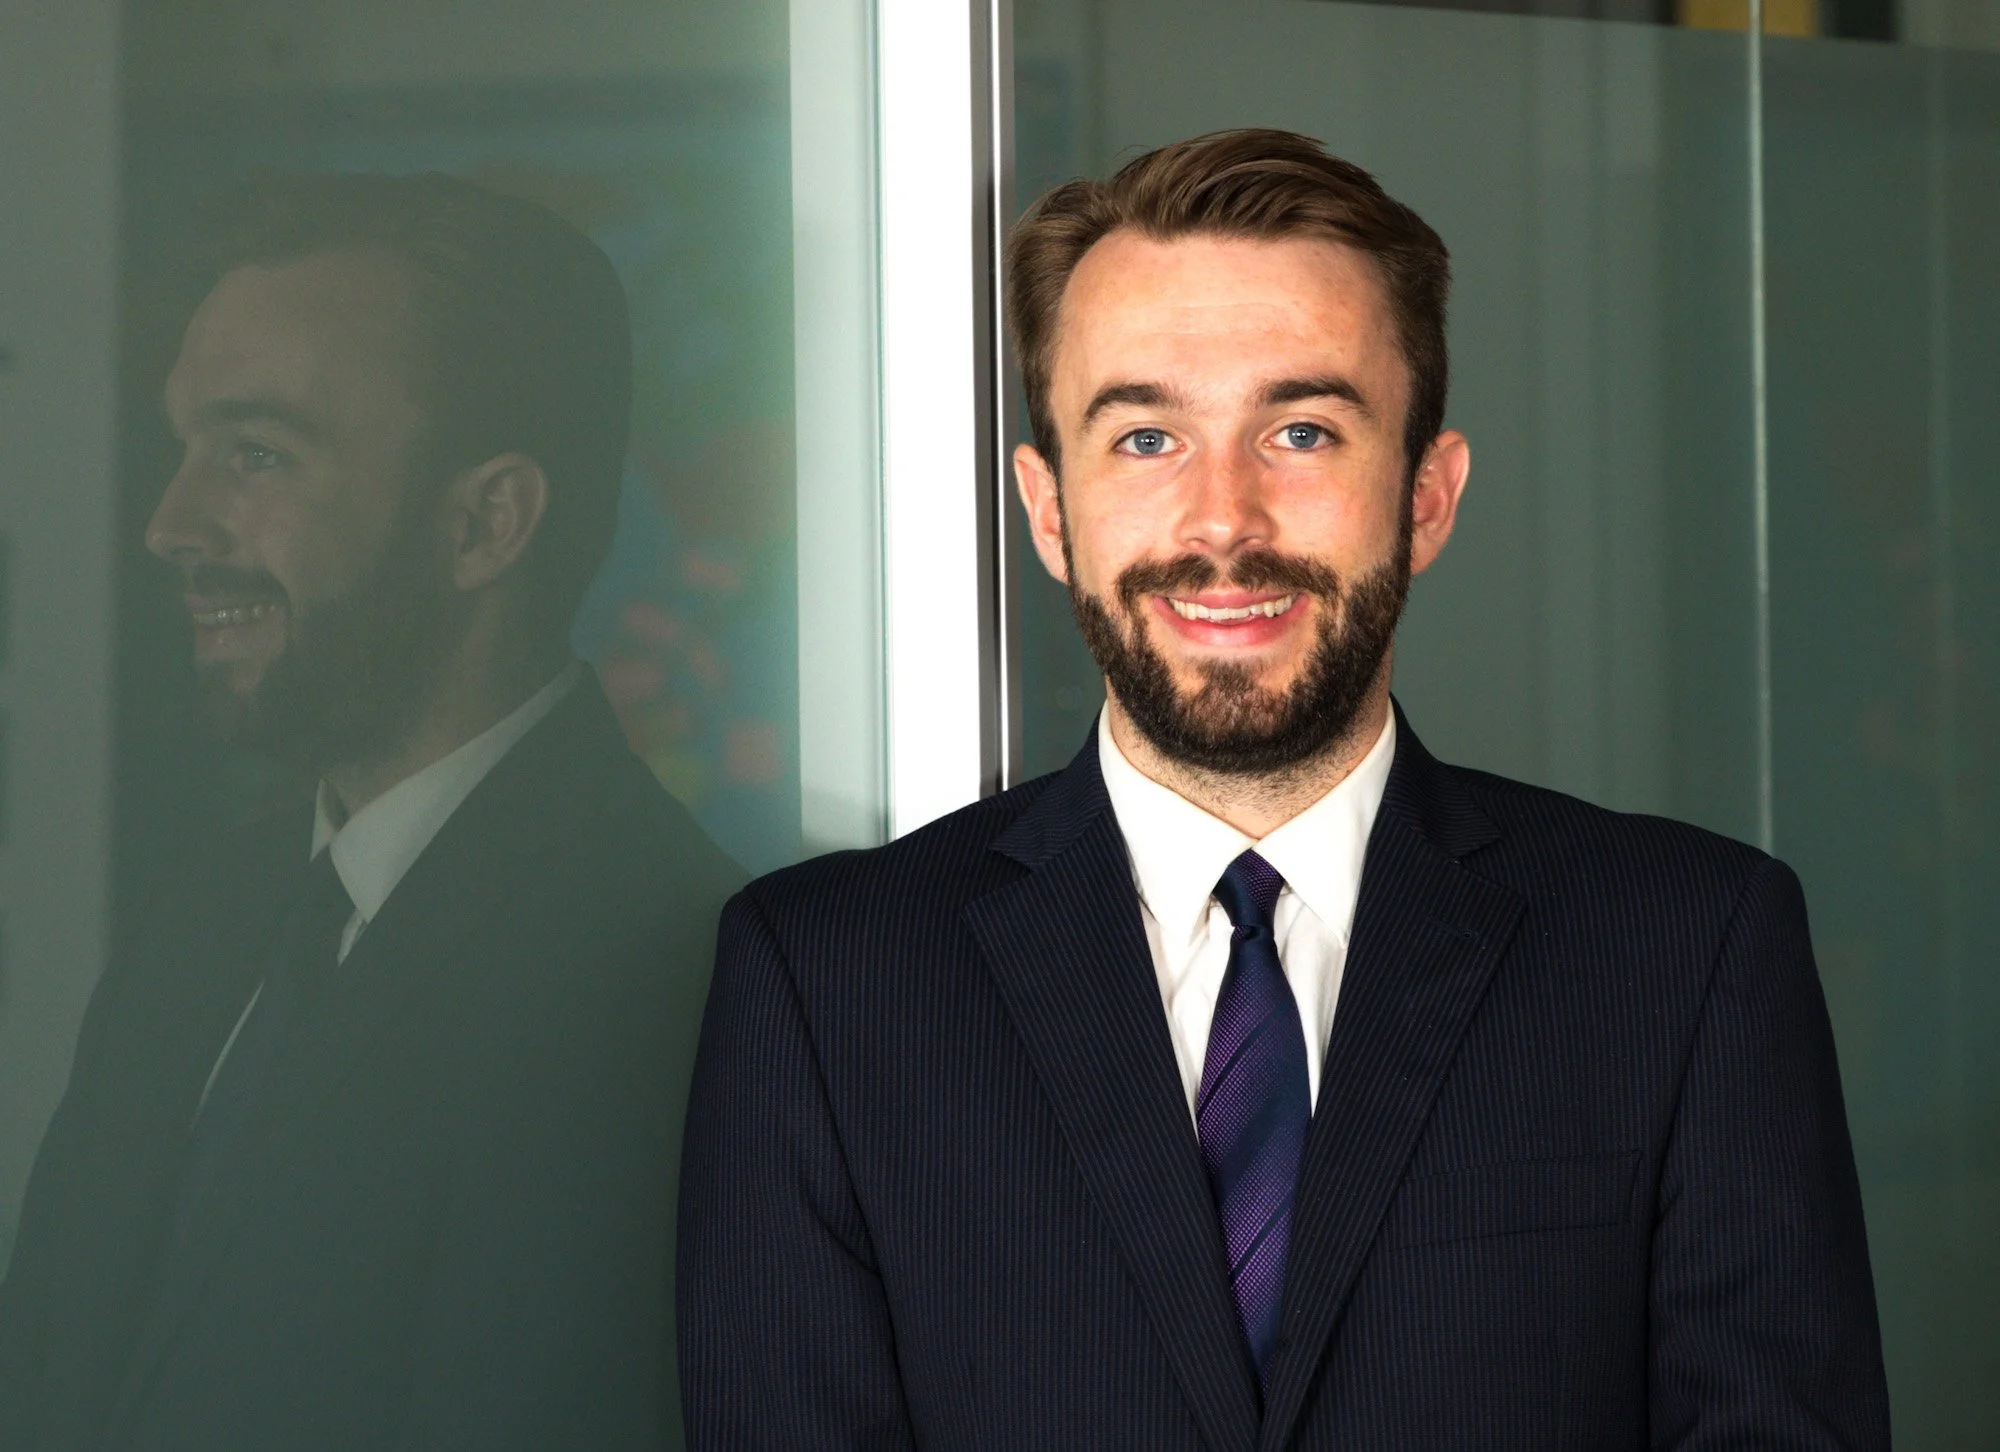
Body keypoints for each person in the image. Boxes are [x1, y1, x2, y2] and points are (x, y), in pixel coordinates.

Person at [677, 129, 1888, 1448]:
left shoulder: (1691, 949)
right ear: (1048, 511)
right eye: (1146, 437)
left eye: (1301, 430)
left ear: (1426, 498)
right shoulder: (826, 982)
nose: (1222, 521)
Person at [0, 172, 740, 1451]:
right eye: (186, 450)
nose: (173, 525)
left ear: (483, 520)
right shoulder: (209, 920)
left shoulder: (674, 981)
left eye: (256, 453)